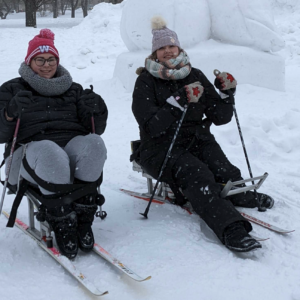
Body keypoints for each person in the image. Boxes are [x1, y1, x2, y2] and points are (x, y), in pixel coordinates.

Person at [132, 16, 274, 252]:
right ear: (154, 53)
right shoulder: (146, 81)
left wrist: (227, 94)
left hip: (197, 140)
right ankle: (231, 228)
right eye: (161, 48)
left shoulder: (194, 74)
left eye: (171, 46)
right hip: (160, 149)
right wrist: (178, 101)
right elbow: (151, 127)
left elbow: (220, 117)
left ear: (179, 47)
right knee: (198, 175)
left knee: (224, 169)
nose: (167, 51)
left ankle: (240, 195)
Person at [0, 29, 108, 259]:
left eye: (51, 60)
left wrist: (97, 109)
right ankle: (62, 221)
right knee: (51, 152)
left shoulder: (74, 89)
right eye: (40, 60)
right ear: (29, 61)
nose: (47, 65)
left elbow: (94, 129)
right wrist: (9, 113)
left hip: (68, 148)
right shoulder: (11, 89)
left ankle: (83, 217)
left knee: (95, 144)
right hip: (29, 153)